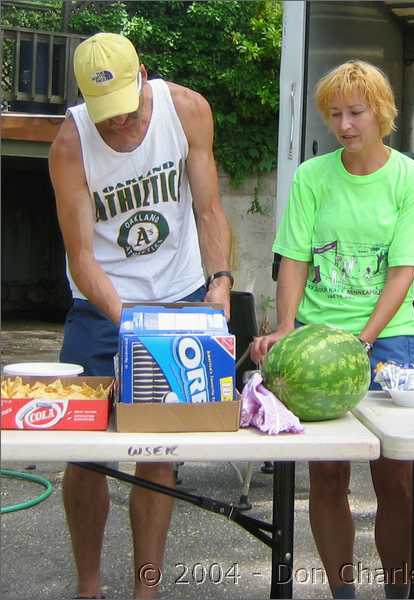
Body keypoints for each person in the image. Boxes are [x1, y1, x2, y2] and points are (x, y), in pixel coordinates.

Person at [48, 32, 233, 599]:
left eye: (125, 113)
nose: (118, 127)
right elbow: (82, 256)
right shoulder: (70, 144)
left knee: (159, 453)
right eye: (105, 117)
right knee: (86, 456)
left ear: (144, 75)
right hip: (101, 305)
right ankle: (88, 587)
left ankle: (146, 589)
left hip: (178, 297)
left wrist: (220, 283)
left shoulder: (187, 111)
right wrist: (126, 318)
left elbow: (207, 210)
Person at [251, 60, 414, 599]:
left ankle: (399, 592)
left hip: (388, 342)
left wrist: (360, 342)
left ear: (382, 113)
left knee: (394, 478)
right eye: (335, 114)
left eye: (356, 112)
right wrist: (288, 329)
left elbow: (404, 271)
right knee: (328, 477)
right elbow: (293, 258)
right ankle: (343, 594)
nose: (344, 124)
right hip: (316, 336)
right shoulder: (312, 177)